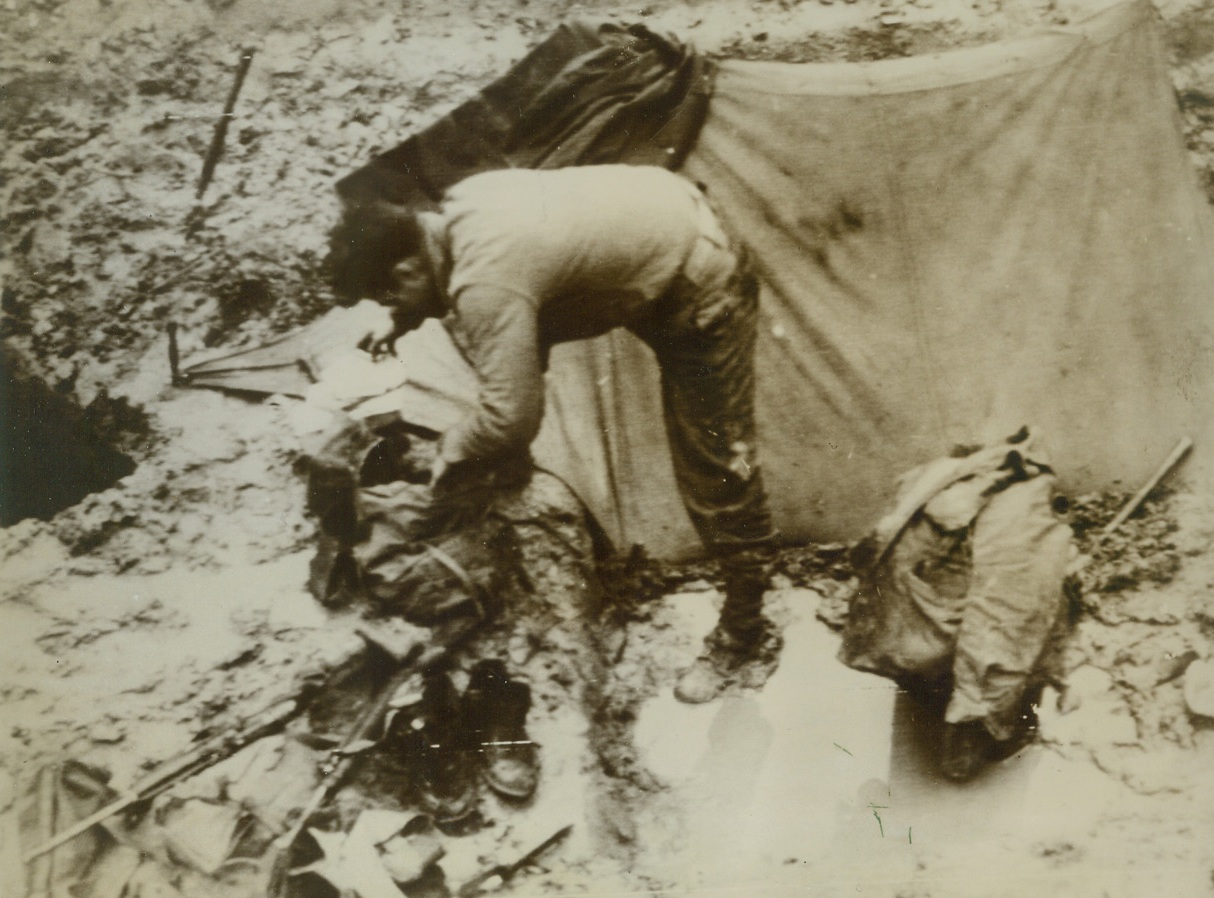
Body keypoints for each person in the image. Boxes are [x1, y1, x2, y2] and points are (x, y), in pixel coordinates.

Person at [328, 164, 780, 703]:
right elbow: (486, 289)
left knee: (718, 466)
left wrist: (453, 447)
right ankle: (506, 470)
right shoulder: (461, 204)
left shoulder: (485, 282)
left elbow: (510, 417)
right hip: (666, 216)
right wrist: (400, 319)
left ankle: (745, 632)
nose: (393, 309)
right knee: (497, 350)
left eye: (390, 298)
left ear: (406, 270)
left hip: (702, 281)